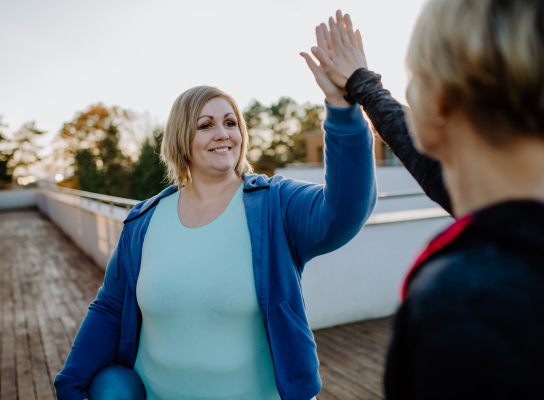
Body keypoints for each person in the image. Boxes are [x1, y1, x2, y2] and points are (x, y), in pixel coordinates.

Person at [54, 67, 377, 397]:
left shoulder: (275, 204)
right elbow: (109, 308)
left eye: (231, 122)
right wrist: (70, 384)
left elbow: (344, 211)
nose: (223, 133)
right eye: (205, 125)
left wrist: (342, 109)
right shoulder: (143, 220)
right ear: (182, 138)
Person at [305, 2, 544, 398]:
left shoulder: (467, 301)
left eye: (414, 79)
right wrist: (363, 85)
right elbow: (435, 170)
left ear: (436, 106)